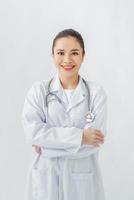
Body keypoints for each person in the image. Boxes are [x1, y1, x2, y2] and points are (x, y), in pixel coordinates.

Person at [21, 28, 107, 200]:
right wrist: (80, 136)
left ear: (83, 55)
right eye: (61, 53)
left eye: (74, 53)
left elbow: (92, 144)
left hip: (82, 183)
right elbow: (33, 134)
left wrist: (45, 147)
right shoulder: (38, 92)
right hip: (45, 180)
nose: (67, 60)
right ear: (53, 55)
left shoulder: (96, 93)